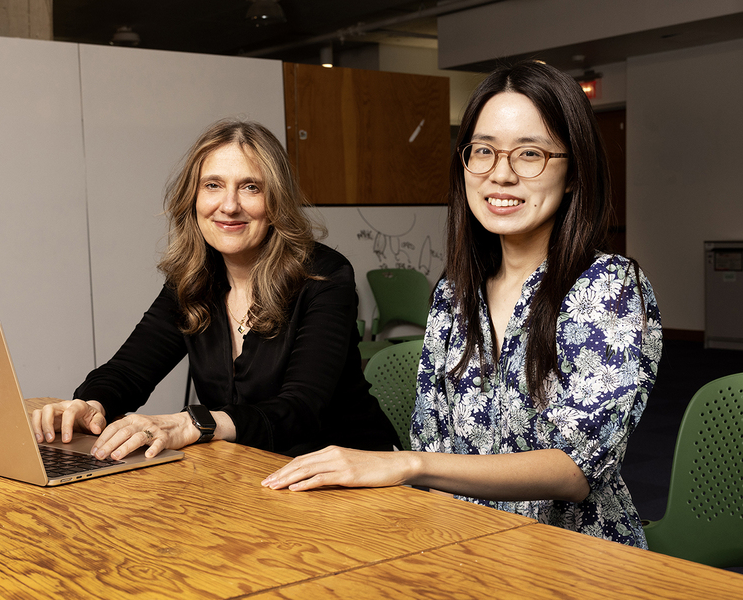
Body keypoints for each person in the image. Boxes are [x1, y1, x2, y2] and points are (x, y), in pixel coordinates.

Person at [261, 61, 662, 548]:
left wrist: (406, 463)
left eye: (529, 154)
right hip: (463, 543)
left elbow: (573, 470)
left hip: (572, 558)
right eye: (484, 152)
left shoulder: (610, 286)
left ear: (574, 172)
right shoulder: (455, 291)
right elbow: (431, 436)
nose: (501, 175)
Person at [32, 119, 399, 461]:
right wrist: (92, 405)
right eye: (213, 185)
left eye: (251, 187)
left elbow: (300, 410)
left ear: (277, 201)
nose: (229, 205)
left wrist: (192, 423)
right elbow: (129, 371)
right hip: (252, 471)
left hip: (353, 474)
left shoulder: (324, 276)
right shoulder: (193, 279)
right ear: (193, 198)